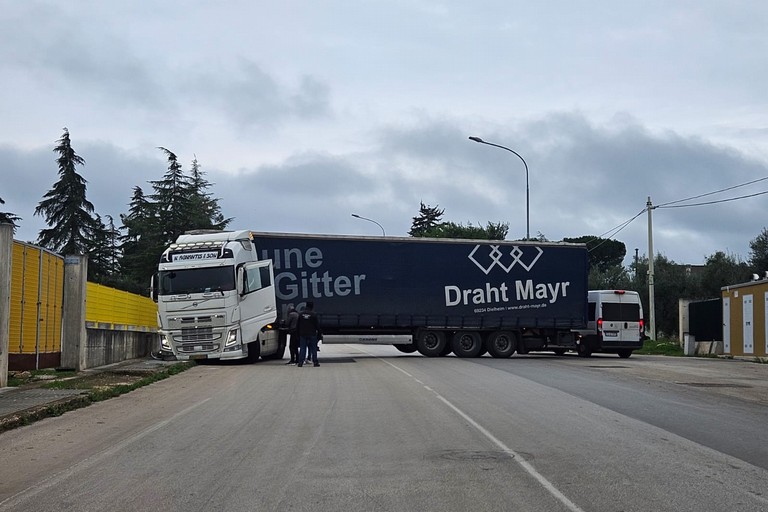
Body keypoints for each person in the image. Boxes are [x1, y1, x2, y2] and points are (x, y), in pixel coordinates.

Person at [296, 301, 322, 367]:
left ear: (306, 305)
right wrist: (319, 333)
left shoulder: (301, 314)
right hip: (312, 333)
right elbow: (317, 325)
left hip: (303, 333)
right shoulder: (313, 314)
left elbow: (298, 325)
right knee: (313, 348)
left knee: (303, 348)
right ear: (312, 306)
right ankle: (315, 362)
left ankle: (300, 362)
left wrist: (297, 334)